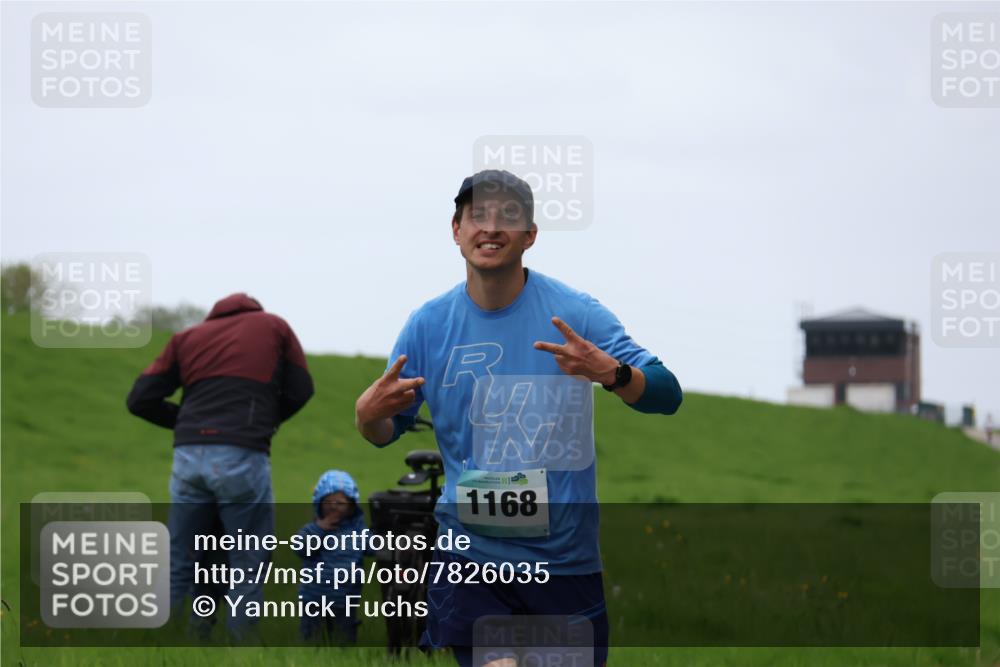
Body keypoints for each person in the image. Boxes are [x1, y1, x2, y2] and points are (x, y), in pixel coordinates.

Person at [354, 170, 682, 667]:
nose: (491, 227)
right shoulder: (428, 326)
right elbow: (386, 431)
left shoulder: (575, 314)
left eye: (508, 217)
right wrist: (366, 417)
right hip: (471, 556)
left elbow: (667, 392)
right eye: (477, 215)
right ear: (456, 229)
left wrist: (612, 374)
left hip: (565, 564)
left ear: (530, 235)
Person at [126, 292, 314, 638]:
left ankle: (169, 644)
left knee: (180, 559)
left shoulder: (187, 337)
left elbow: (139, 399)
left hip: (188, 458)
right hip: (242, 455)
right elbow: (302, 388)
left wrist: (186, 421)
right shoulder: (274, 327)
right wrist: (264, 422)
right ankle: (240, 647)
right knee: (248, 559)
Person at [292, 470, 368, 644]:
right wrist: (320, 529)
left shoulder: (358, 532)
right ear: (319, 503)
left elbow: (375, 546)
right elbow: (300, 547)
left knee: (345, 637)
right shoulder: (311, 529)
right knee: (311, 637)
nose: (334, 507)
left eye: (340, 503)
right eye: (328, 502)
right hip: (314, 597)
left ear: (351, 506)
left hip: (346, 597)